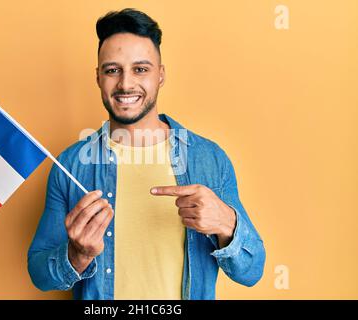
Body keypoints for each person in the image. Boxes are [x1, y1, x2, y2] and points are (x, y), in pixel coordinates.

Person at [28, 8, 265, 300]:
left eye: (141, 69)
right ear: (98, 77)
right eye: (113, 70)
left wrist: (227, 223)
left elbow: (252, 271)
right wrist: (76, 255)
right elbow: (38, 274)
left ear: (161, 75)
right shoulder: (71, 164)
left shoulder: (210, 160)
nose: (126, 84)